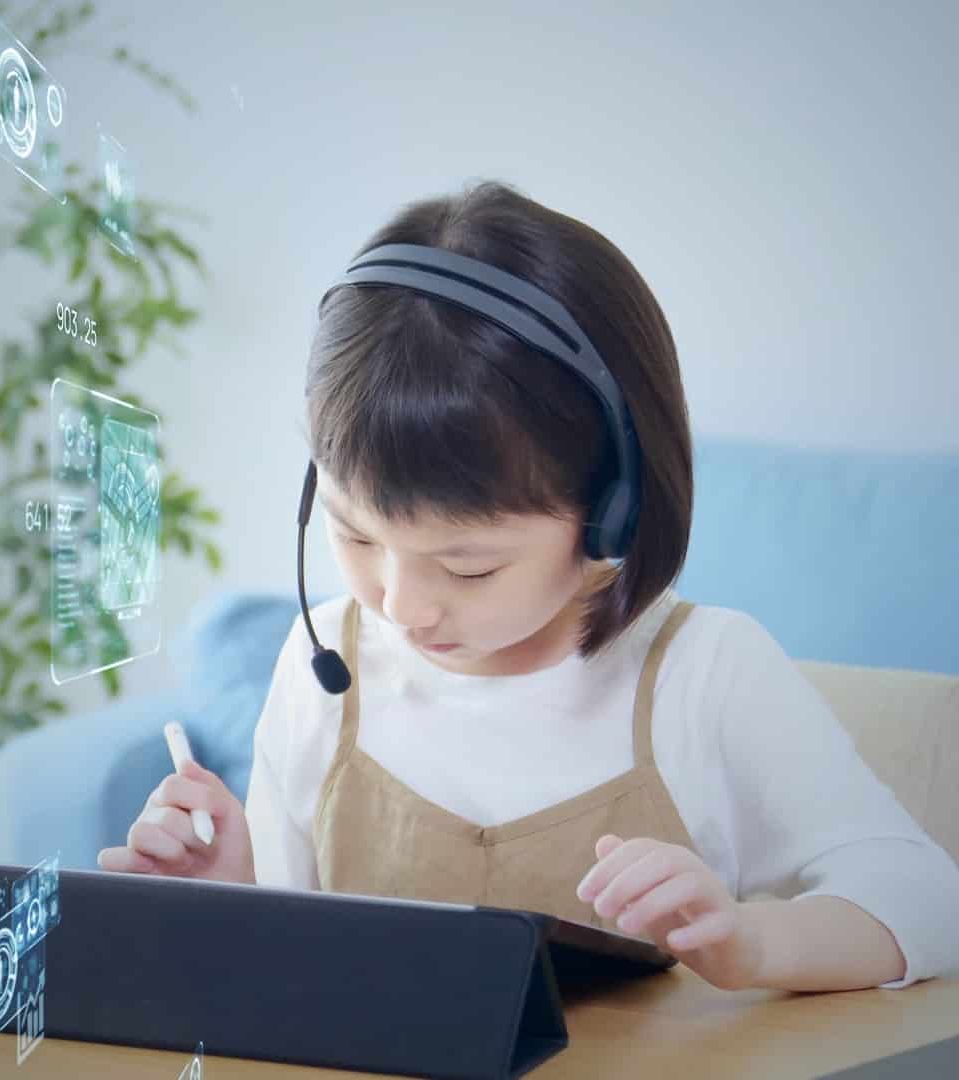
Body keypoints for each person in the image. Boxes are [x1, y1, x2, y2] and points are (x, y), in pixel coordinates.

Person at [99, 180, 959, 992]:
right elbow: (300, 967)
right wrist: (229, 894)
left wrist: (749, 940)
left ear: (610, 511)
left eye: (468, 565)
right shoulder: (323, 662)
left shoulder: (708, 674)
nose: (400, 605)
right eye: (354, 533)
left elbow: (927, 901)